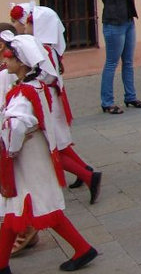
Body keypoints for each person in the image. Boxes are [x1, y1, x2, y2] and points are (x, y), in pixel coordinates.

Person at [0, 32, 99, 272]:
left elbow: (15, 127)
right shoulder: (35, 85)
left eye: (8, 57)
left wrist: (9, 147)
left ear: (22, 62)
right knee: (23, 207)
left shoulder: (23, 94)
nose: (5, 61)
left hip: (28, 159)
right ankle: (2, 264)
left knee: (30, 205)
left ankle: (83, 248)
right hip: (35, 156)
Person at [8, 4, 102, 205]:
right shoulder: (44, 46)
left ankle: (88, 176)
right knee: (60, 143)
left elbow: (49, 76)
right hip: (47, 99)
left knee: (54, 145)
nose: (25, 25)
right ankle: (86, 172)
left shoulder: (43, 49)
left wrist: (32, 81)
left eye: (30, 22)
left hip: (46, 102)